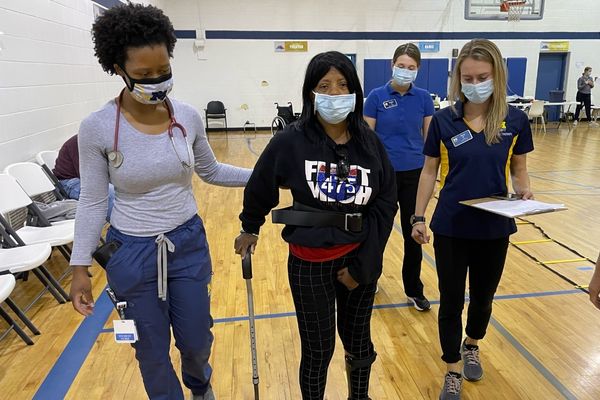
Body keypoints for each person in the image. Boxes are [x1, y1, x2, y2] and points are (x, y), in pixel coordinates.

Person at [68, 4, 252, 400]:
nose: (156, 81)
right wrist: (79, 265)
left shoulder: (186, 116)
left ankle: (200, 388)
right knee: (150, 351)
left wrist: (265, 177)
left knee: (197, 340)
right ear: (118, 68)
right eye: (143, 75)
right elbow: (94, 200)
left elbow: (212, 171)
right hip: (131, 254)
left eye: (163, 70)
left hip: (187, 243)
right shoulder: (97, 128)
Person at [234, 51, 397, 400]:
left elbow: (385, 204)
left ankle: (359, 396)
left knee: (358, 343)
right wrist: (250, 225)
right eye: (325, 85)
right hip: (309, 262)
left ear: (355, 92)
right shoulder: (291, 141)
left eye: (343, 85)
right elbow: (261, 184)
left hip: (358, 257)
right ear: (311, 93)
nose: (335, 94)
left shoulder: (370, 144)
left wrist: (365, 266)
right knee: (318, 350)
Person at [410, 39, 534, 400]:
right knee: (451, 300)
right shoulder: (444, 121)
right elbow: (429, 171)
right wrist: (418, 216)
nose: (474, 82)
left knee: (483, 298)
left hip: (495, 226)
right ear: (457, 78)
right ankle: (452, 368)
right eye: (467, 76)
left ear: (497, 75)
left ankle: (472, 344)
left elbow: (520, 168)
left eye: (482, 76)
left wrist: (524, 192)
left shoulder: (516, 120)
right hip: (451, 225)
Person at [364, 42, 435, 311]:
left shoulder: (424, 98)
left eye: (411, 67)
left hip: (414, 175)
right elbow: (368, 139)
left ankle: (414, 290)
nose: (406, 71)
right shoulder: (376, 97)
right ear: (392, 65)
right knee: (377, 233)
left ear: (418, 69)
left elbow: (429, 139)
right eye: (402, 66)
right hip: (384, 177)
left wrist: (433, 172)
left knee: (413, 233)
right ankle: (369, 280)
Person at [53, 134, 115, 220]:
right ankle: (122, 228)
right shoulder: (83, 143)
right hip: (71, 182)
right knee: (109, 192)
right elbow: (87, 175)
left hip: (89, 178)